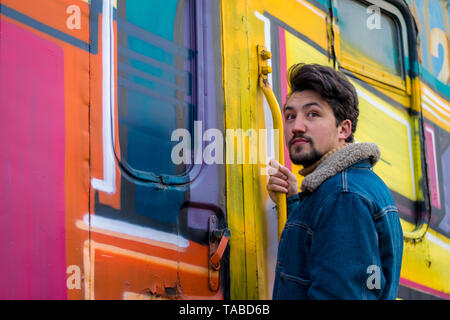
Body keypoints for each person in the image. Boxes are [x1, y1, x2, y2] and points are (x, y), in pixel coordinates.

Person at [267, 63, 403, 300]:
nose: (296, 126)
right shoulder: (352, 185)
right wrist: (292, 201)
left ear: (343, 129)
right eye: (290, 116)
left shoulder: (343, 196)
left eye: (313, 114)